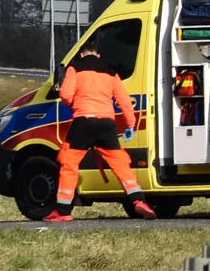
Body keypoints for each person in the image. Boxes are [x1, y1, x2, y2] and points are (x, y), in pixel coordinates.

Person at [45, 37, 156, 222]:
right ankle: (139, 201)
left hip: (83, 122)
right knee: (120, 164)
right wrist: (130, 125)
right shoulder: (110, 73)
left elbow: (65, 94)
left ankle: (63, 211)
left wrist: (72, 103)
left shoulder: (75, 68)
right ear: (98, 55)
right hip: (107, 124)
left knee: (69, 163)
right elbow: (125, 101)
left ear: (81, 54)